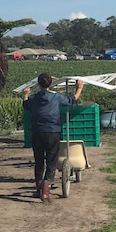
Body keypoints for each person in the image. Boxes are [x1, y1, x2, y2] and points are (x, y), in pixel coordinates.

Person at [22, 73, 84, 202]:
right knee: (51, 161)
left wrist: (26, 94)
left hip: (37, 132)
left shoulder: (34, 98)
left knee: (39, 161)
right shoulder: (56, 97)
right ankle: (46, 192)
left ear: (38, 84)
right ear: (50, 84)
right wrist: (79, 88)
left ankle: (39, 189)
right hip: (52, 132)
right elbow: (72, 100)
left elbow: (26, 105)